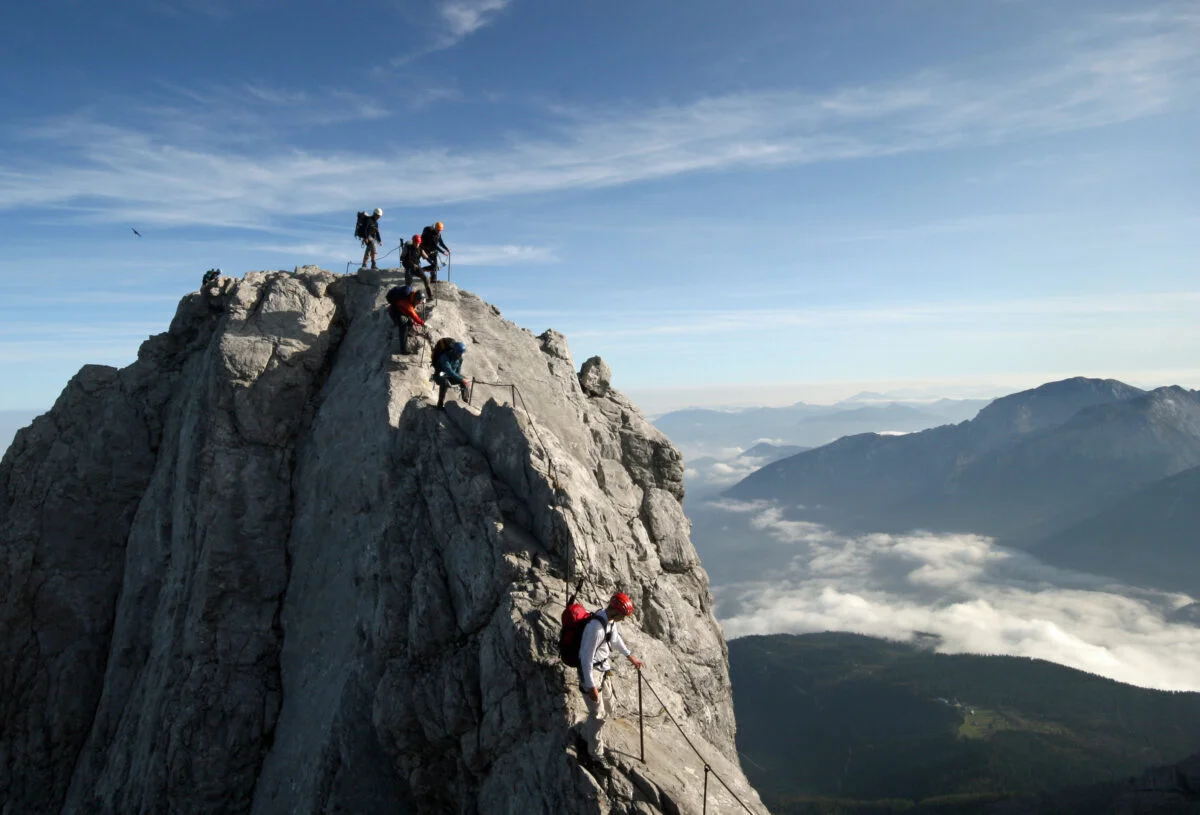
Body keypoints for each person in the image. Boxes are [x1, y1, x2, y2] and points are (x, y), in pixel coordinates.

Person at [578, 592, 644, 762]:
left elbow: (615, 640)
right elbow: (585, 657)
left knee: (609, 707)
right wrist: (591, 685)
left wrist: (631, 657)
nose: (624, 619)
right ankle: (595, 754)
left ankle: (588, 732)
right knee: (598, 715)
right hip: (592, 673)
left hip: (602, 670)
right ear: (616, 612)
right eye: (623, 615)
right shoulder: (596, 628)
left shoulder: (610, 621)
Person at [431, 338, 471, 409]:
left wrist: (462, 380)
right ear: (455, 351)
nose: (461, 355)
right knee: (444, 381)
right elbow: (448, 371)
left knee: (464, 380)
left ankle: (466, 400)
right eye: (460, 353)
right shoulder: (445, 357)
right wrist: (461, 379)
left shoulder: (459, 359)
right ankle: (440, 404)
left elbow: (458, 372)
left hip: (450, 375)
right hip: (440, 375)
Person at [388, 287, 427, 355]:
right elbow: (414, 315)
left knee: (410, 322)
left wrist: (423, 300)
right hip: (395, 311)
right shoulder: (407, 304)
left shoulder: (413, 295)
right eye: (419, 302)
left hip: (401, 310)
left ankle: (408, 332)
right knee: (403, 327)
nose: (419, 303)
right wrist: (422, 323)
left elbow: (419, 301)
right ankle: (403, 350)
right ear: (416, 299)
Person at [402, 234, 433, 299]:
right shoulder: (408, 248)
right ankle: (407, 297)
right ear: (413, 242)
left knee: (426, 278)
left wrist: (433, 263)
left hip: (417, 267)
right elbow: (402, 258)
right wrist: (408, 263)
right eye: (416, 243)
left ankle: (430, 295)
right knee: (408, 282)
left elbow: (427, 258)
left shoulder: (420, 250)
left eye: (418, 243)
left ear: (420, 243)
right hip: (409, 267)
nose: (417, 244)